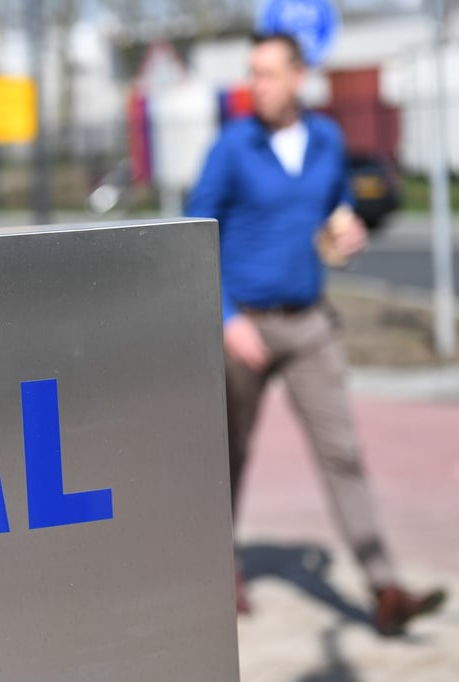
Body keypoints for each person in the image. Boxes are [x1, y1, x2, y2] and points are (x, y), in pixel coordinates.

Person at [187, 33, 446, 636]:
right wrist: (226, 319)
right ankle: (217, 570)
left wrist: (346, 238)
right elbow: (193, 236)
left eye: (270, 75)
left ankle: (385, 588)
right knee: (229, 456)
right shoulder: (233, 145)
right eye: (253, 75)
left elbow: (339, 216)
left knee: (343, 454)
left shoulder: (327, 139)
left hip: (308, 323)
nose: (259, 86)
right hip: (243, 326)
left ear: (300, 76)